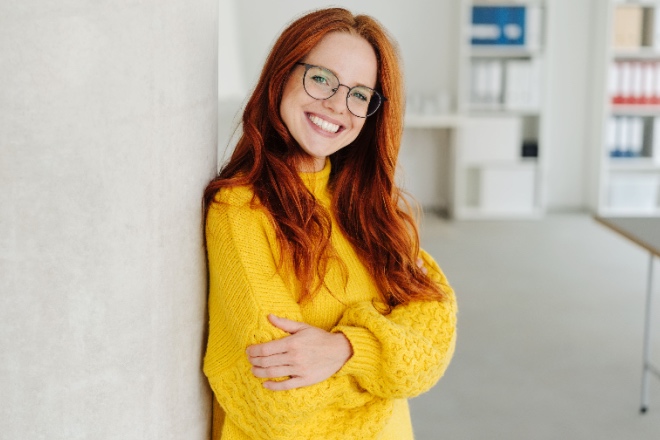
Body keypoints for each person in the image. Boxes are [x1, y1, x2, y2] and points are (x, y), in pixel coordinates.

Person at [202, 7, 457, 440]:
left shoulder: (372, 209)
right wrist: (385, 350)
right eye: (321, 78)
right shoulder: (239, 212)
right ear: (281, 75)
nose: (338, 105)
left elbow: (437, 331)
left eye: (360, 94)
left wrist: (344, 348)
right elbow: (282, 404)